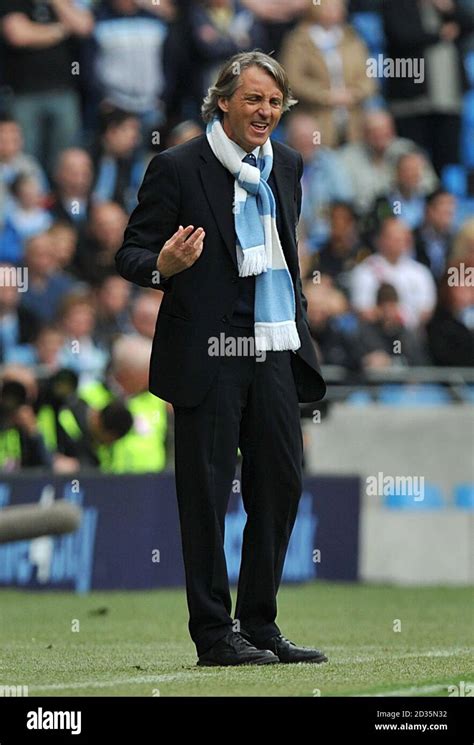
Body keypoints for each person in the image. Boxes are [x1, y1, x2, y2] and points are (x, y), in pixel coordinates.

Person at [116, 51, 327, 667]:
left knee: (281, 480)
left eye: (275, 102)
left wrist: (299, 311)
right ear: (224, 101)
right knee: (205, 495)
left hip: (272, 346)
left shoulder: (287, 163)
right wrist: (163, 267)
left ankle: (259, 623)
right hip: (207, 352)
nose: (266, 111)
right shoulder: (177, 166)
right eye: (255, 99)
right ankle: (214, 635)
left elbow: (287, 249)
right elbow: (130, 251)